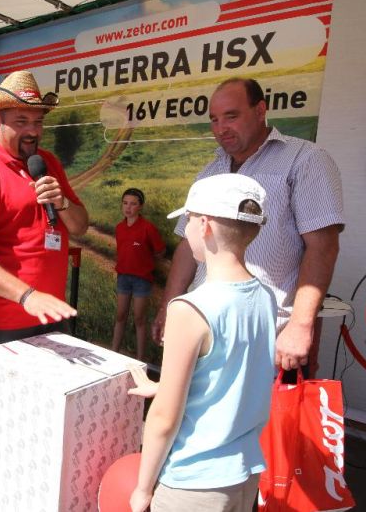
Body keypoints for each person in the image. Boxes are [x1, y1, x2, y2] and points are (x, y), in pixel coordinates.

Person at [152, 77, 344, 376]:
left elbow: (323, 247)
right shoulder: (211, 169)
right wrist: (169, 305)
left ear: (260, 110)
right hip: (207, 330)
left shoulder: (305, 160)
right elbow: (187, 247)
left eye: (231, 116)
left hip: (269, 337)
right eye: (214, 120)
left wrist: (300, 326)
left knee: (265, 422)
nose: (220, 128)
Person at [128, 173, 277, 512]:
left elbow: (164, 418)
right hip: (244, 475)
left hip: (192, 483)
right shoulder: (265, 296)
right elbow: (235, 372)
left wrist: (142, 487)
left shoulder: (189, 308)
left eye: (189, 219)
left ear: (205, 226)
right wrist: (168, 386)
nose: (187, 228)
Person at [0, 70, 88, 348]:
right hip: (3, 323)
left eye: (38, 122)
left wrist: (61, 203)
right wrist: (28, 296)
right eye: (21, 121)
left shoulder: (48, 161)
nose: (33, 131)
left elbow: (80, 226)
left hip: (50, 312)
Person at [113, 188, 165, 361]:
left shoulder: (148, 228)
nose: (128, 207)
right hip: (123, 278)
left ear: (140, 206)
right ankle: (114, 352)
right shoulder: (119, 227)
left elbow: (160, 251)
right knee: (120, 315)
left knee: (139, 318)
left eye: (133, 204)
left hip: (142, 280)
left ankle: (140, 359)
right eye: (125, 203)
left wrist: (145, 261)